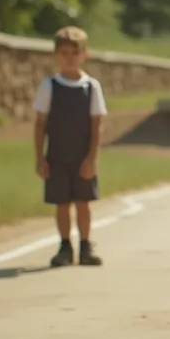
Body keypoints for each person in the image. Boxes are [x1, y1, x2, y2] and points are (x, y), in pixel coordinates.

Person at [32, 26, 108, 267]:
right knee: (62, 203)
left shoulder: (91, 87)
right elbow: (40, 124)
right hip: (57, 155)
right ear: (56, 55)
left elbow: (97, 125)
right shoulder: (49, 86)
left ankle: (86, 245)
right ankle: (65, 246)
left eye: (74, 53)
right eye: (63, 53)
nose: (69, 58)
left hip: (82, 156)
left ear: (84, 55)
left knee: (83, 203)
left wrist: (92, 158)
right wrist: (39, 157)